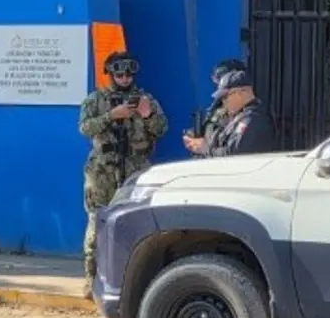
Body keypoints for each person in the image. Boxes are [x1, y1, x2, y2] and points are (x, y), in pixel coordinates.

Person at [78, 51, 168, 295]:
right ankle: (92, 278)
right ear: (110, 74)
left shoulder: (145, 100)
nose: (125, 79)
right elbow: (85, 127)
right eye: (120, 75)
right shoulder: (96, 99)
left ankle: (133, 279)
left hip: (135, 168)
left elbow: (161, 128)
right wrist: (111, 116)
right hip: (103, 170)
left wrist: (147, 114)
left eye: (129, 75)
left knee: (137, 222)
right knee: (97, 221)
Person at [183, 70, 277, 157]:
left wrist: (205, 149)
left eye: (225, 97)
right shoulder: (239, 116)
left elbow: (234, 155)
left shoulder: (253, 119)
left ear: (241, 93)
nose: (223, 102)